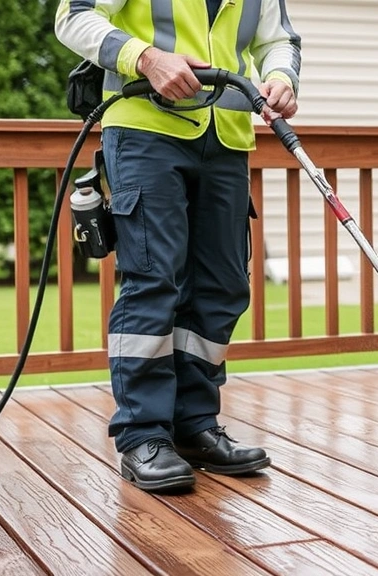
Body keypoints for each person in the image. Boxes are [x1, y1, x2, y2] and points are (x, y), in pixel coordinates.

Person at [54, 0, 301, 492]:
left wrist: (281, 78)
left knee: (222, 286)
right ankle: (143, 434)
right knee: (154, 280)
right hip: (146, 130)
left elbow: (279, 40)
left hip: (226, 138)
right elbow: (73, 16)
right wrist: (146, 58)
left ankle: (194, 424)